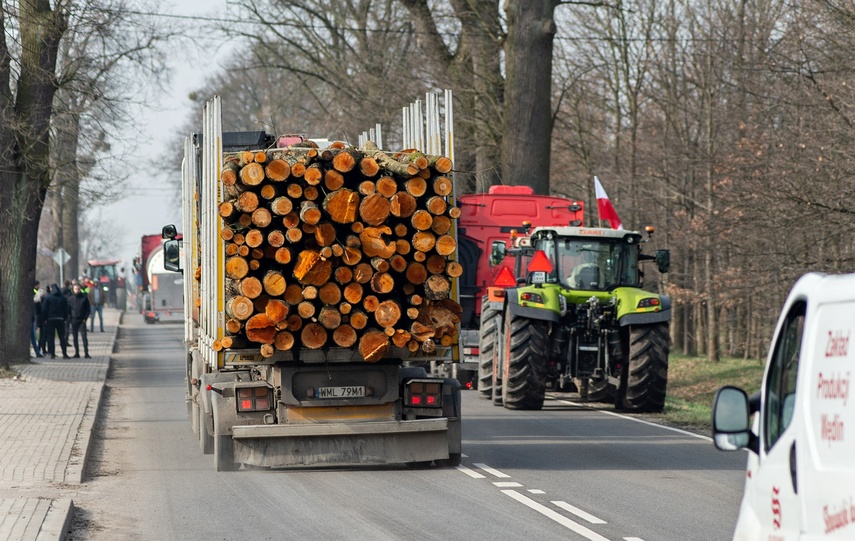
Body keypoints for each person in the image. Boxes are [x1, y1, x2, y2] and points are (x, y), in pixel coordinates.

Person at [41, 284, 70, 359]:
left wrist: (44, 319)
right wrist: (65, 318)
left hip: (50, 319)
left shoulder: (48, 297)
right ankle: (64, 353)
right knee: (62, 337)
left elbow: (44, 309)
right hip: (60, 319)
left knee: (51, 337)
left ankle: (52, 353)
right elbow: (66, 309)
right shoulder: (62, 298)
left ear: (51, 289)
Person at [68, 282, 91, 358]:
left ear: (80, 289)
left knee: (84, 337)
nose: (77, 290)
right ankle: (76, 353)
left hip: (82, 320)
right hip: (74, 320)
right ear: (73, 290)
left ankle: (86, 353)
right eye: (75, 289)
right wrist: (70, 318)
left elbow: (88, 309)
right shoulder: (70, 298)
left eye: (78, 289)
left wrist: (85, 318)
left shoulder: (84, 298)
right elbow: (68, 309)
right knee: (75, 337)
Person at [30, 280, 44, 358]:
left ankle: (37, 352)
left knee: (33, 336)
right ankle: (37, 352)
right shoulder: (34, 293)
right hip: (32, 317)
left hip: (33, 317)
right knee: (32, 336)